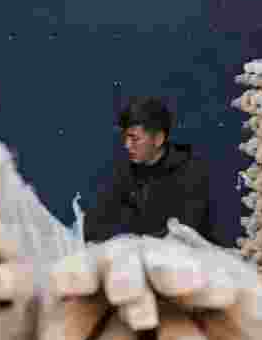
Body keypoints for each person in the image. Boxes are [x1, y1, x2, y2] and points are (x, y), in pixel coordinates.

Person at [84, 97, 222, 245]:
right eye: (125, 138)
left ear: (158, 139)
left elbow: (185, 232)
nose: (126, 145)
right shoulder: (125, 171)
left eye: (134, 139)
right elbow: (96, 223)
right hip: (140, 257)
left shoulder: (191, 171)